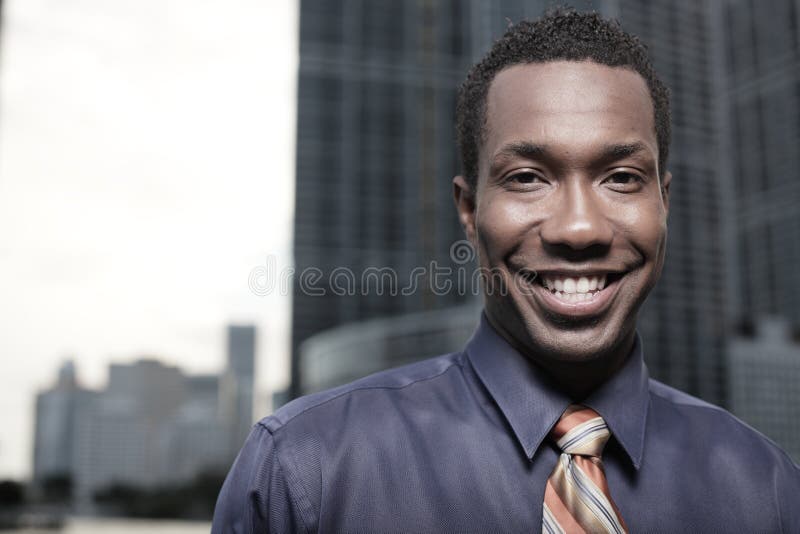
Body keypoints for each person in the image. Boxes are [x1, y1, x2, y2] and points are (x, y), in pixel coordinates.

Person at [212, 8, 799, 533]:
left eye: (621, 178)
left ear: (663, 202)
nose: (579, 228)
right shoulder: (303, 472)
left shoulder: (772, 493)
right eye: (527, 177)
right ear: (469, 210)